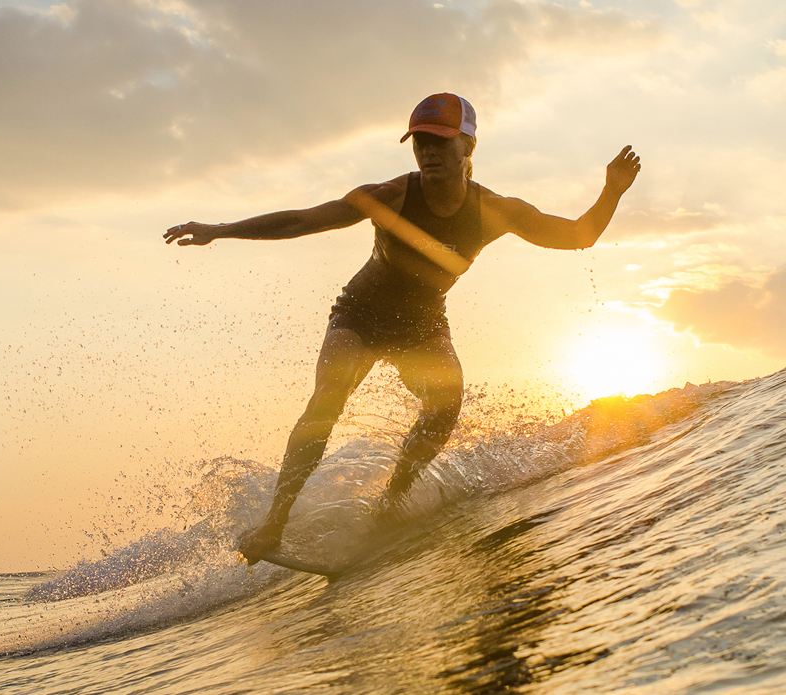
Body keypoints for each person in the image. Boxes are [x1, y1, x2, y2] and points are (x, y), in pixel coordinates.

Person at [164, 93, 640, 564]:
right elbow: (300, 221)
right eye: (420, 143)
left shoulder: (495, 211)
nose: (428, 152)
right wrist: (220, 229)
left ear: (467, 148)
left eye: (439, 141)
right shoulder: (389, 197)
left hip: (422, 322)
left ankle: (392, 499)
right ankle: (274, 525)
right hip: (360, 316)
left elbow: (578, 235)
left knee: (446, 404)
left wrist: (612, 191)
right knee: (328, 397)